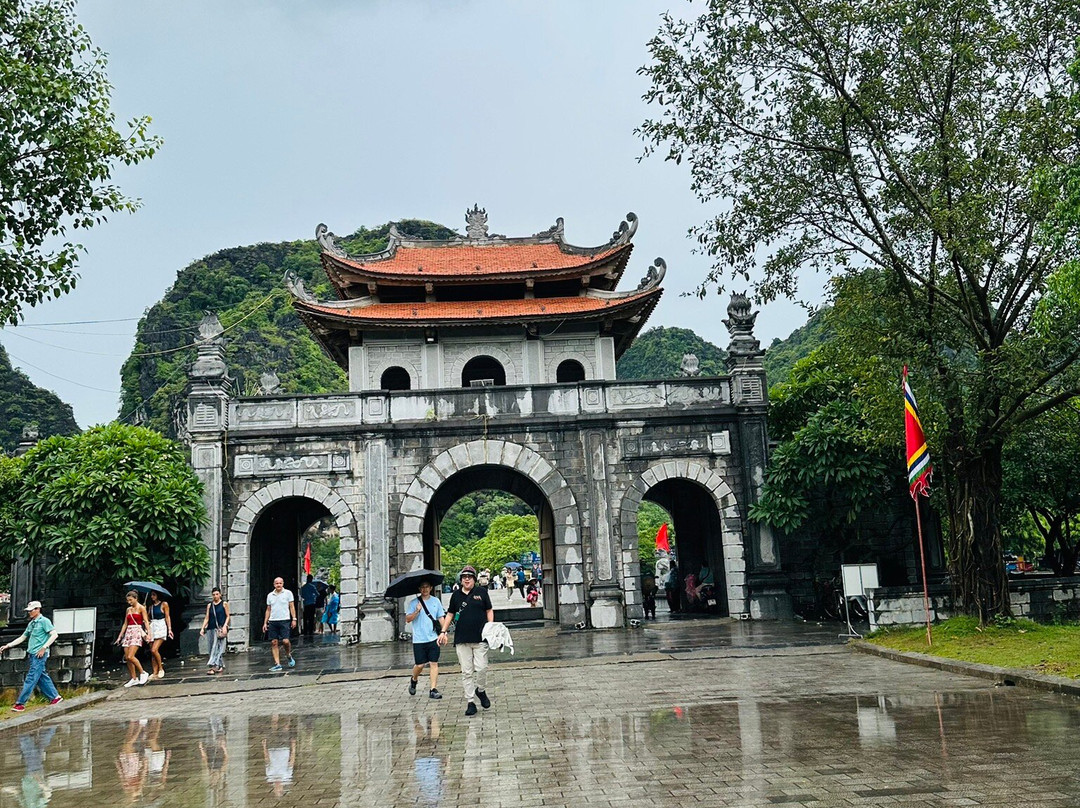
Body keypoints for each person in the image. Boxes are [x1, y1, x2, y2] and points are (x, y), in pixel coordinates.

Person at [441, 565, 493, 716]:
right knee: (467, 672)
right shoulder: (456, 595)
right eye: (464, 577)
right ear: (461, 580)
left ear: (474, 579)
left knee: (482, 667)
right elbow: (450, 614)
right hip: (462, 638)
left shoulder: (481, 592)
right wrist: (443, 631)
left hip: (480, 637)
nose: (467, 579)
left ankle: (480, 690)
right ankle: (470, 702)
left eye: (470, 577)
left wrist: (490, 627)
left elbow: (489, 610)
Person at [0, 600, 63, 711]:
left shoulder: (44, 621)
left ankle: (20, 703)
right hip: (33, 654)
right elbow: (23, 637)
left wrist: (44, 647)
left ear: (37, 609)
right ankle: (55, 697)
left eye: (31, 610)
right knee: (41, 677)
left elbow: (54, 635)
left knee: (31, 678)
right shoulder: (32, 623)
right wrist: (8, 645)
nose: (29, 613)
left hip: (39, 655)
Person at [405, 579, 446, 700]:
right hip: (419, 639)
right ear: (419, 589)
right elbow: (408, 619)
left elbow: (440, 617)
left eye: (427, 587)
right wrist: (417, 611)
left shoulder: (436, 601)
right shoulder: (414, 603)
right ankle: (414, 679)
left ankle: (433, 689)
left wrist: (444, 632)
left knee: (434, 663)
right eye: (422, 587)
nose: (425, 589)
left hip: (433, 637)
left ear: (431, 588)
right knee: (420, 665)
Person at [114, 591, 151, 687]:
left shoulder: (141, 608)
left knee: (131, 656)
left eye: (130, 600)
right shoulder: (128, 609)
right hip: (128, 632)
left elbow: (146, 621)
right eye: (128, 600)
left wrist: (149, 634)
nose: (129, 602)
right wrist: (120, 636)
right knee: (127, 657)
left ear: (136, 598)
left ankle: (143, 672)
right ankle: (134, 678)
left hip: (136, 631)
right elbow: (125, 624)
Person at [263, 577, 297, 672]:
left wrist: (294, 618)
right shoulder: (270, 595)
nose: (278, 585)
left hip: (284, 620)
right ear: (274, 584)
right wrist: (265, 622)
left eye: (280, 583)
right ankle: (277, 664)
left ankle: (288, 655)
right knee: (274, 642)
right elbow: (268, 609)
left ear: (283, 584)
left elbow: (291, 606)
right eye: (277, 583)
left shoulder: (288, 593)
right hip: (273, 620)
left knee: (285, 641)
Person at [199, 586, 230, 674]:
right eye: (214, 595)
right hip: (210, 628)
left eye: (217, 594)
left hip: (219, 628)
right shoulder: (210, 605)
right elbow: (207, 618)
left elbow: (228, 616)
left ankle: (213, 667)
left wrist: (225, 626)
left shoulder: (224, 604)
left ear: (220, 594)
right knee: (211, 647)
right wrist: (202, 628)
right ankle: (220, 665)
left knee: (216, 647)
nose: (215, 596)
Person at [146, 590, 173, 679]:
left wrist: (169, 629)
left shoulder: (164, 604)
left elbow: (167, 616)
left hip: (160, 626)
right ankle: (155, 672)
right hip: (152, 626)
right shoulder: (150, 607)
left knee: (154, 649)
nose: (152, 597)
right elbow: (147, 618)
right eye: (151, 595)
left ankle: (161, 668)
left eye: (154, 595)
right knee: (152, 651)